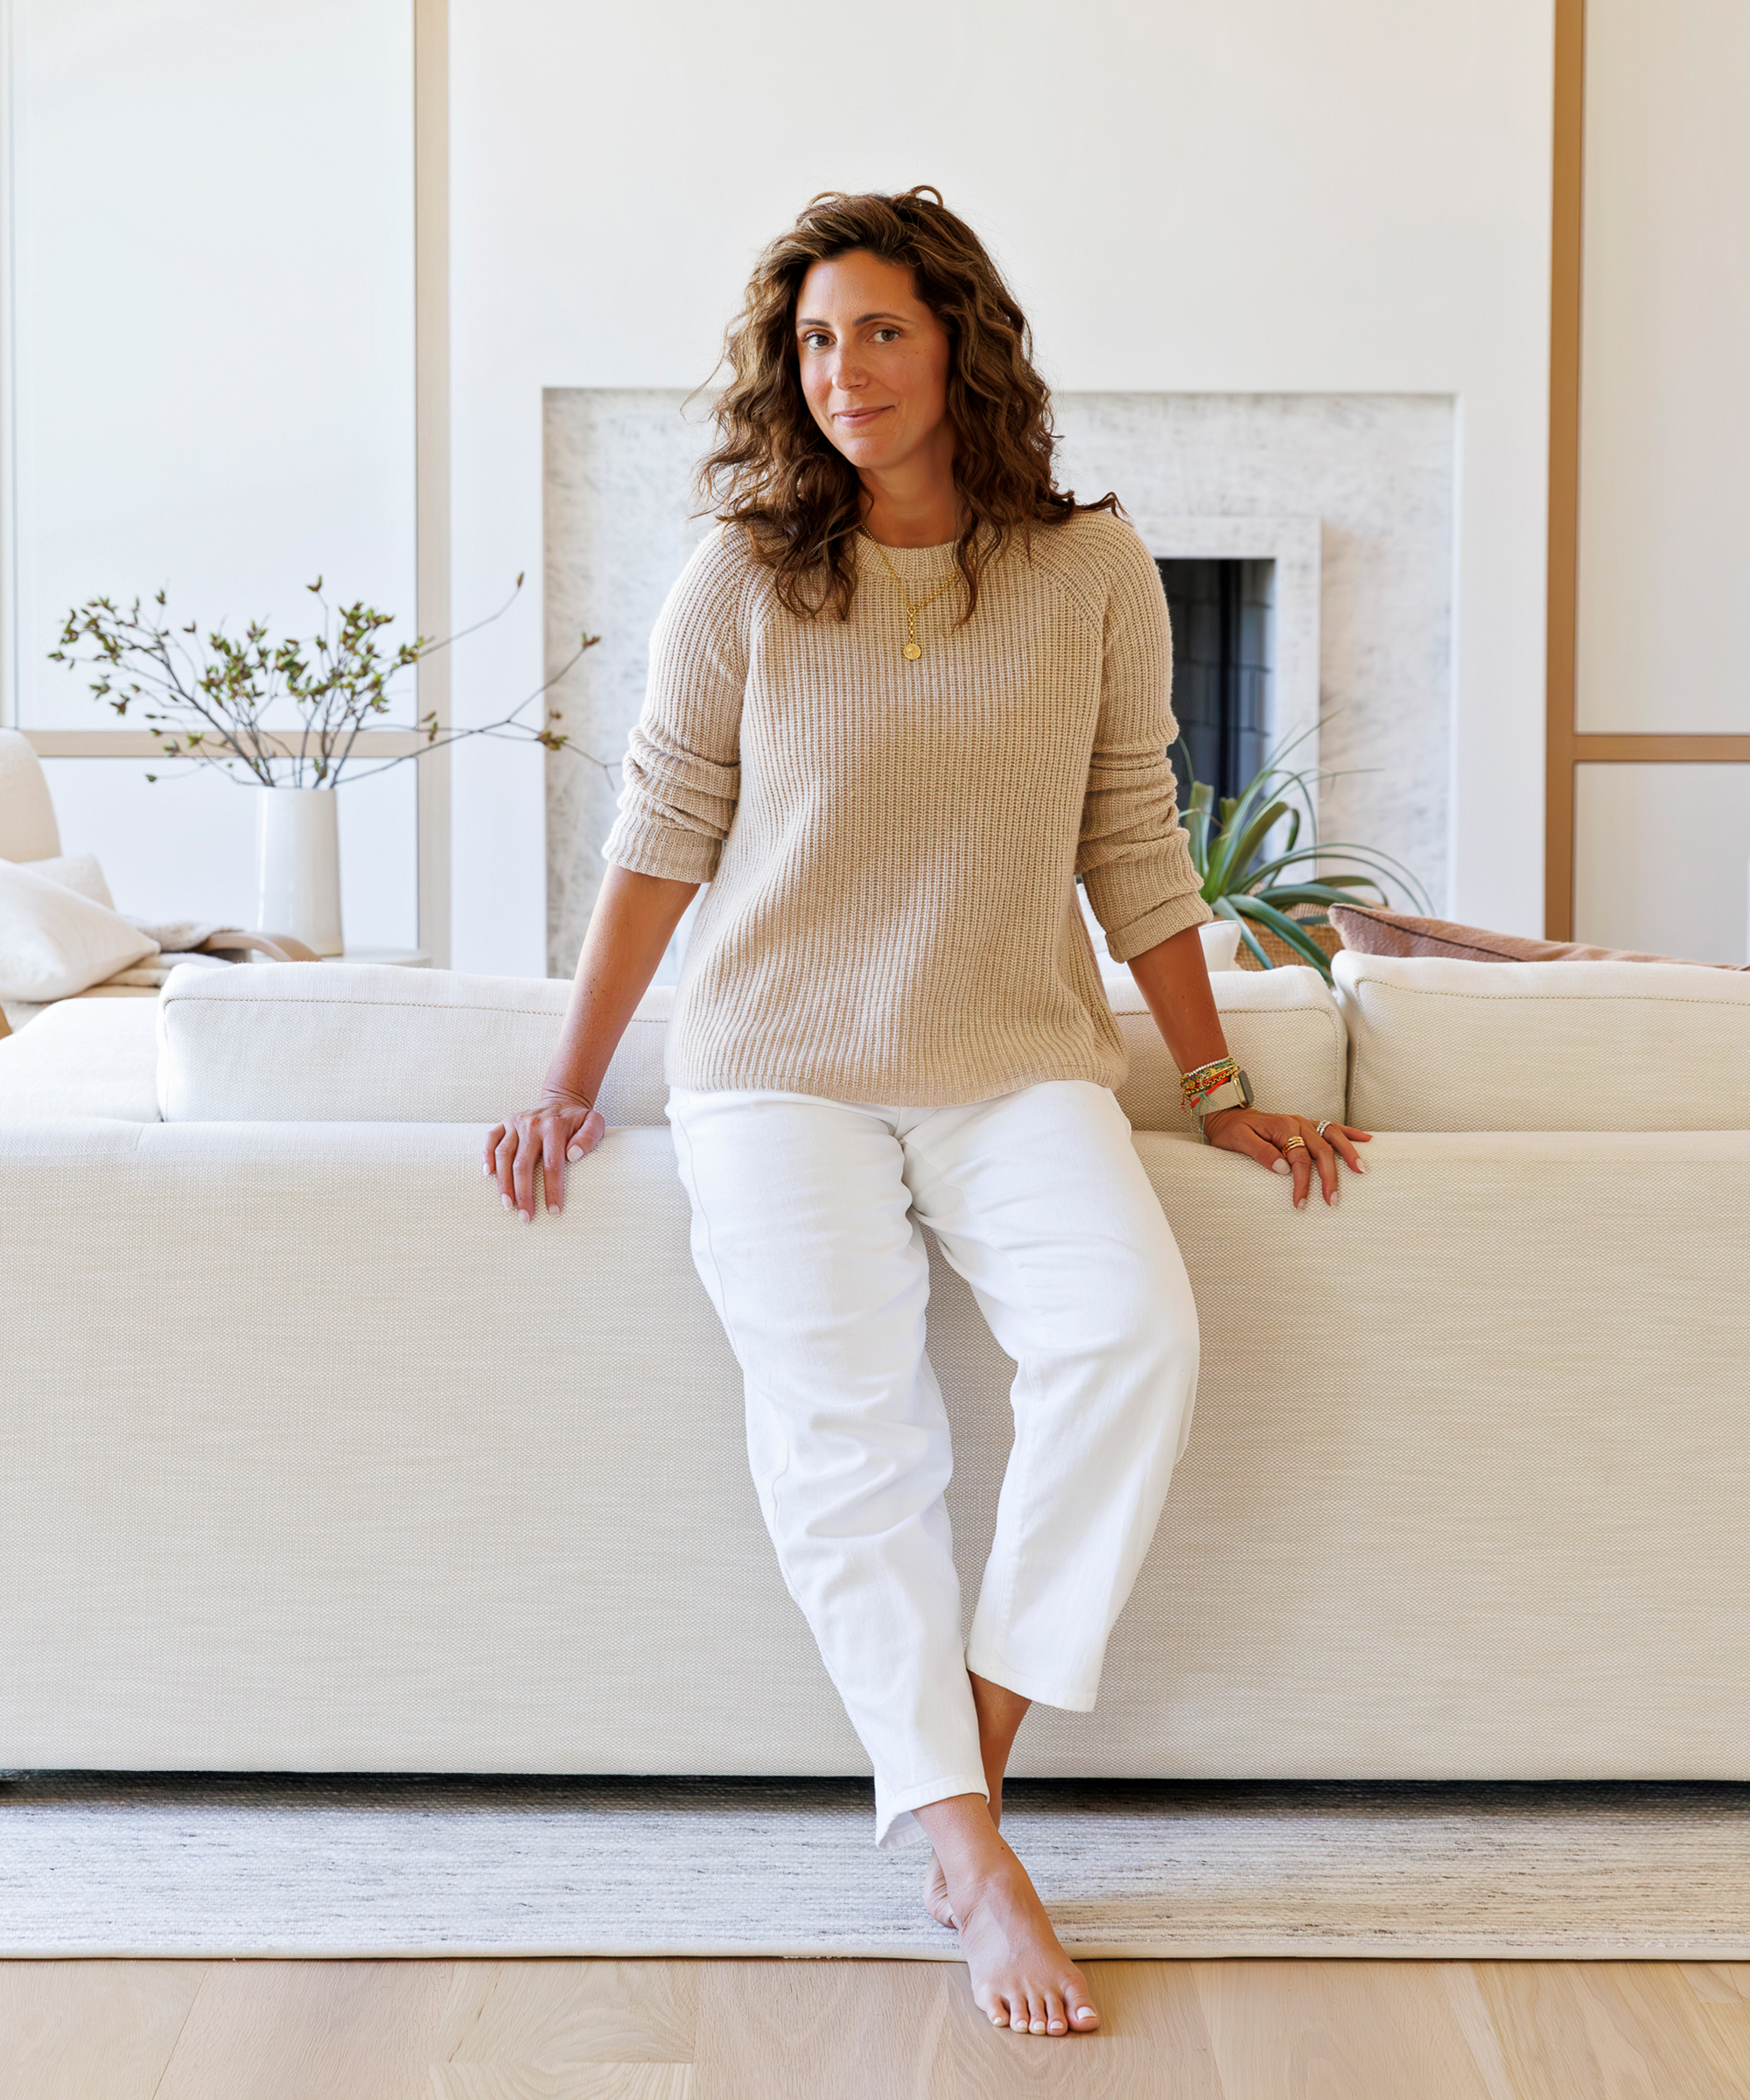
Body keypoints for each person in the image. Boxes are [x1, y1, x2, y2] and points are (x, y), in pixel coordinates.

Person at [486, 186, 1368, 2039]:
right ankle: (972, 1857)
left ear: (960, 341)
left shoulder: (1090, 567)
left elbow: (1130, 839)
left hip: (1012, 1059)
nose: (844, 371)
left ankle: (951, 1748)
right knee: (843, 1431)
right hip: (772, 1073)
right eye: (813, 340)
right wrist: (569, 1087)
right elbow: (658, 842)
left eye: (879, 330)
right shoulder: (737, 575)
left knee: (1130, 1338)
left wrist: (1213, 1087)